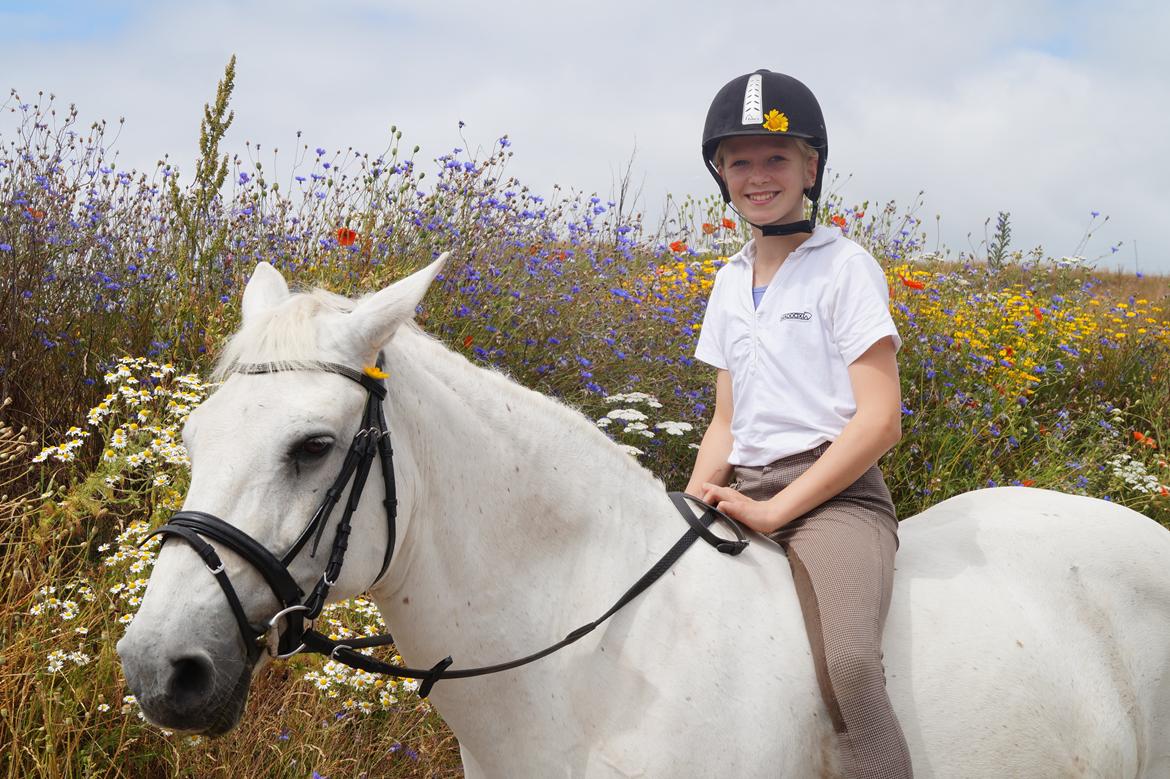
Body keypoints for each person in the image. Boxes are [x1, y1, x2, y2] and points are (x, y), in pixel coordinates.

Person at [685, 69, 913, 778]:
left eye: (775, 157)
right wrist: (691, 501)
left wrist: (776, 508)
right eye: (740, 160)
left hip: (835, 499)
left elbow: (879, 422)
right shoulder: (727, 280)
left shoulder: (845, 268)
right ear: (721, 174)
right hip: (741, 487)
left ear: (810, 166)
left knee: (848, 662)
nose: (758, 175)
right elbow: (727, 419)